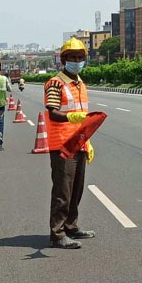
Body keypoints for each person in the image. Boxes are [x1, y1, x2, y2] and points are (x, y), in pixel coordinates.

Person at [44, 38, 96, 249]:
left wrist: (88, 142)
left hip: (80, 142)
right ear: (64, 60)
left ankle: (71, 227)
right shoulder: (56, 83)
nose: (77, 61)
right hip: (63, 146)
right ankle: (57, 234)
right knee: (62, 192)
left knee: (76, 190)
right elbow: (53, 113)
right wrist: (71, 117)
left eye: (80, 57)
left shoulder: (80, 83)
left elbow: (84, 117)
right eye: (73, 57)